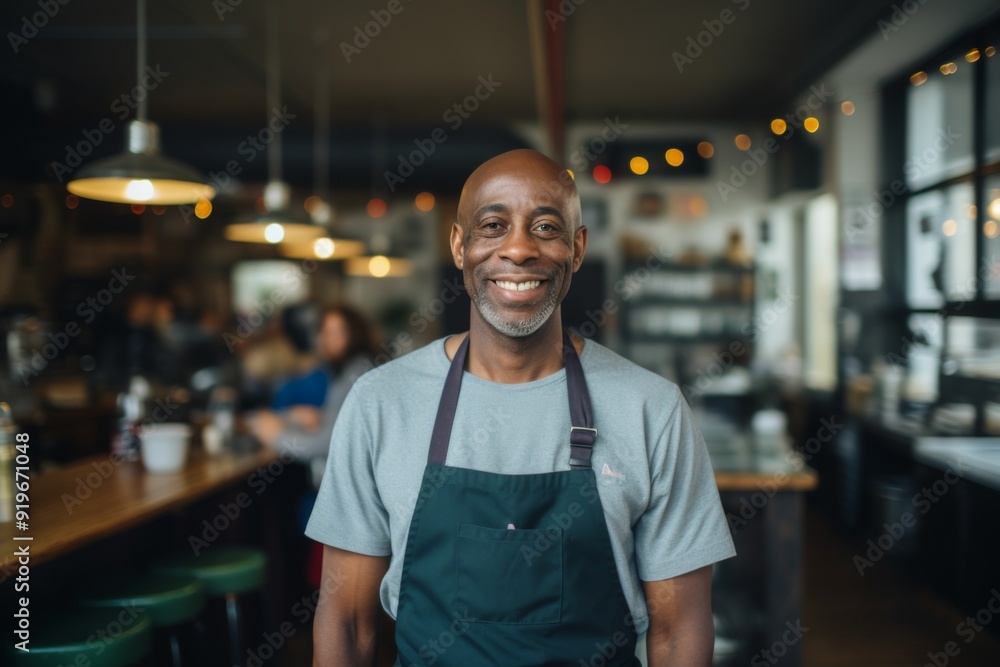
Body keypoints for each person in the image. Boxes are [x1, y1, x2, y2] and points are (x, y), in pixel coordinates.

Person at [306, 149, 736, 666]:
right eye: (493, 225)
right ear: (460, 246)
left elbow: (679, 631)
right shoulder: (380, 403)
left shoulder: (652, 409)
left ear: (577, 249)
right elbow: (347, 625)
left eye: (546, 227)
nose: (518, 249)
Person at [250, 304, 378, 482]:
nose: (326, 339)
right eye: (324, 331)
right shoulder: (352, 368)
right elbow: (350, 426)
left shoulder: (355, 374)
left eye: (336, 332)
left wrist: (276, 438)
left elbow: (329, 444)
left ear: (355, 333)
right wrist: (321, 416)